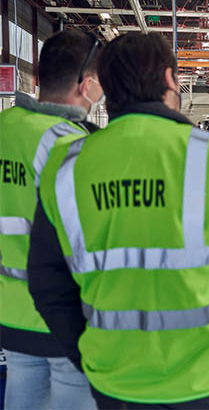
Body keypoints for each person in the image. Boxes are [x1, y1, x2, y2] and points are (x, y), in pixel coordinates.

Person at [28, 32, 209, 409]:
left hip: (116, 382)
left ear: (104, 90)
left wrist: (91, 357)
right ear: (170, 80)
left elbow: (46, 283)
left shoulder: (66, 165)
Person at [0, 29, 103, 410]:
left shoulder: (5, 127)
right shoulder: (72, 143)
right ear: (88, 85)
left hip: (10, 314)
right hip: (64, 315)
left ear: (39, 79)